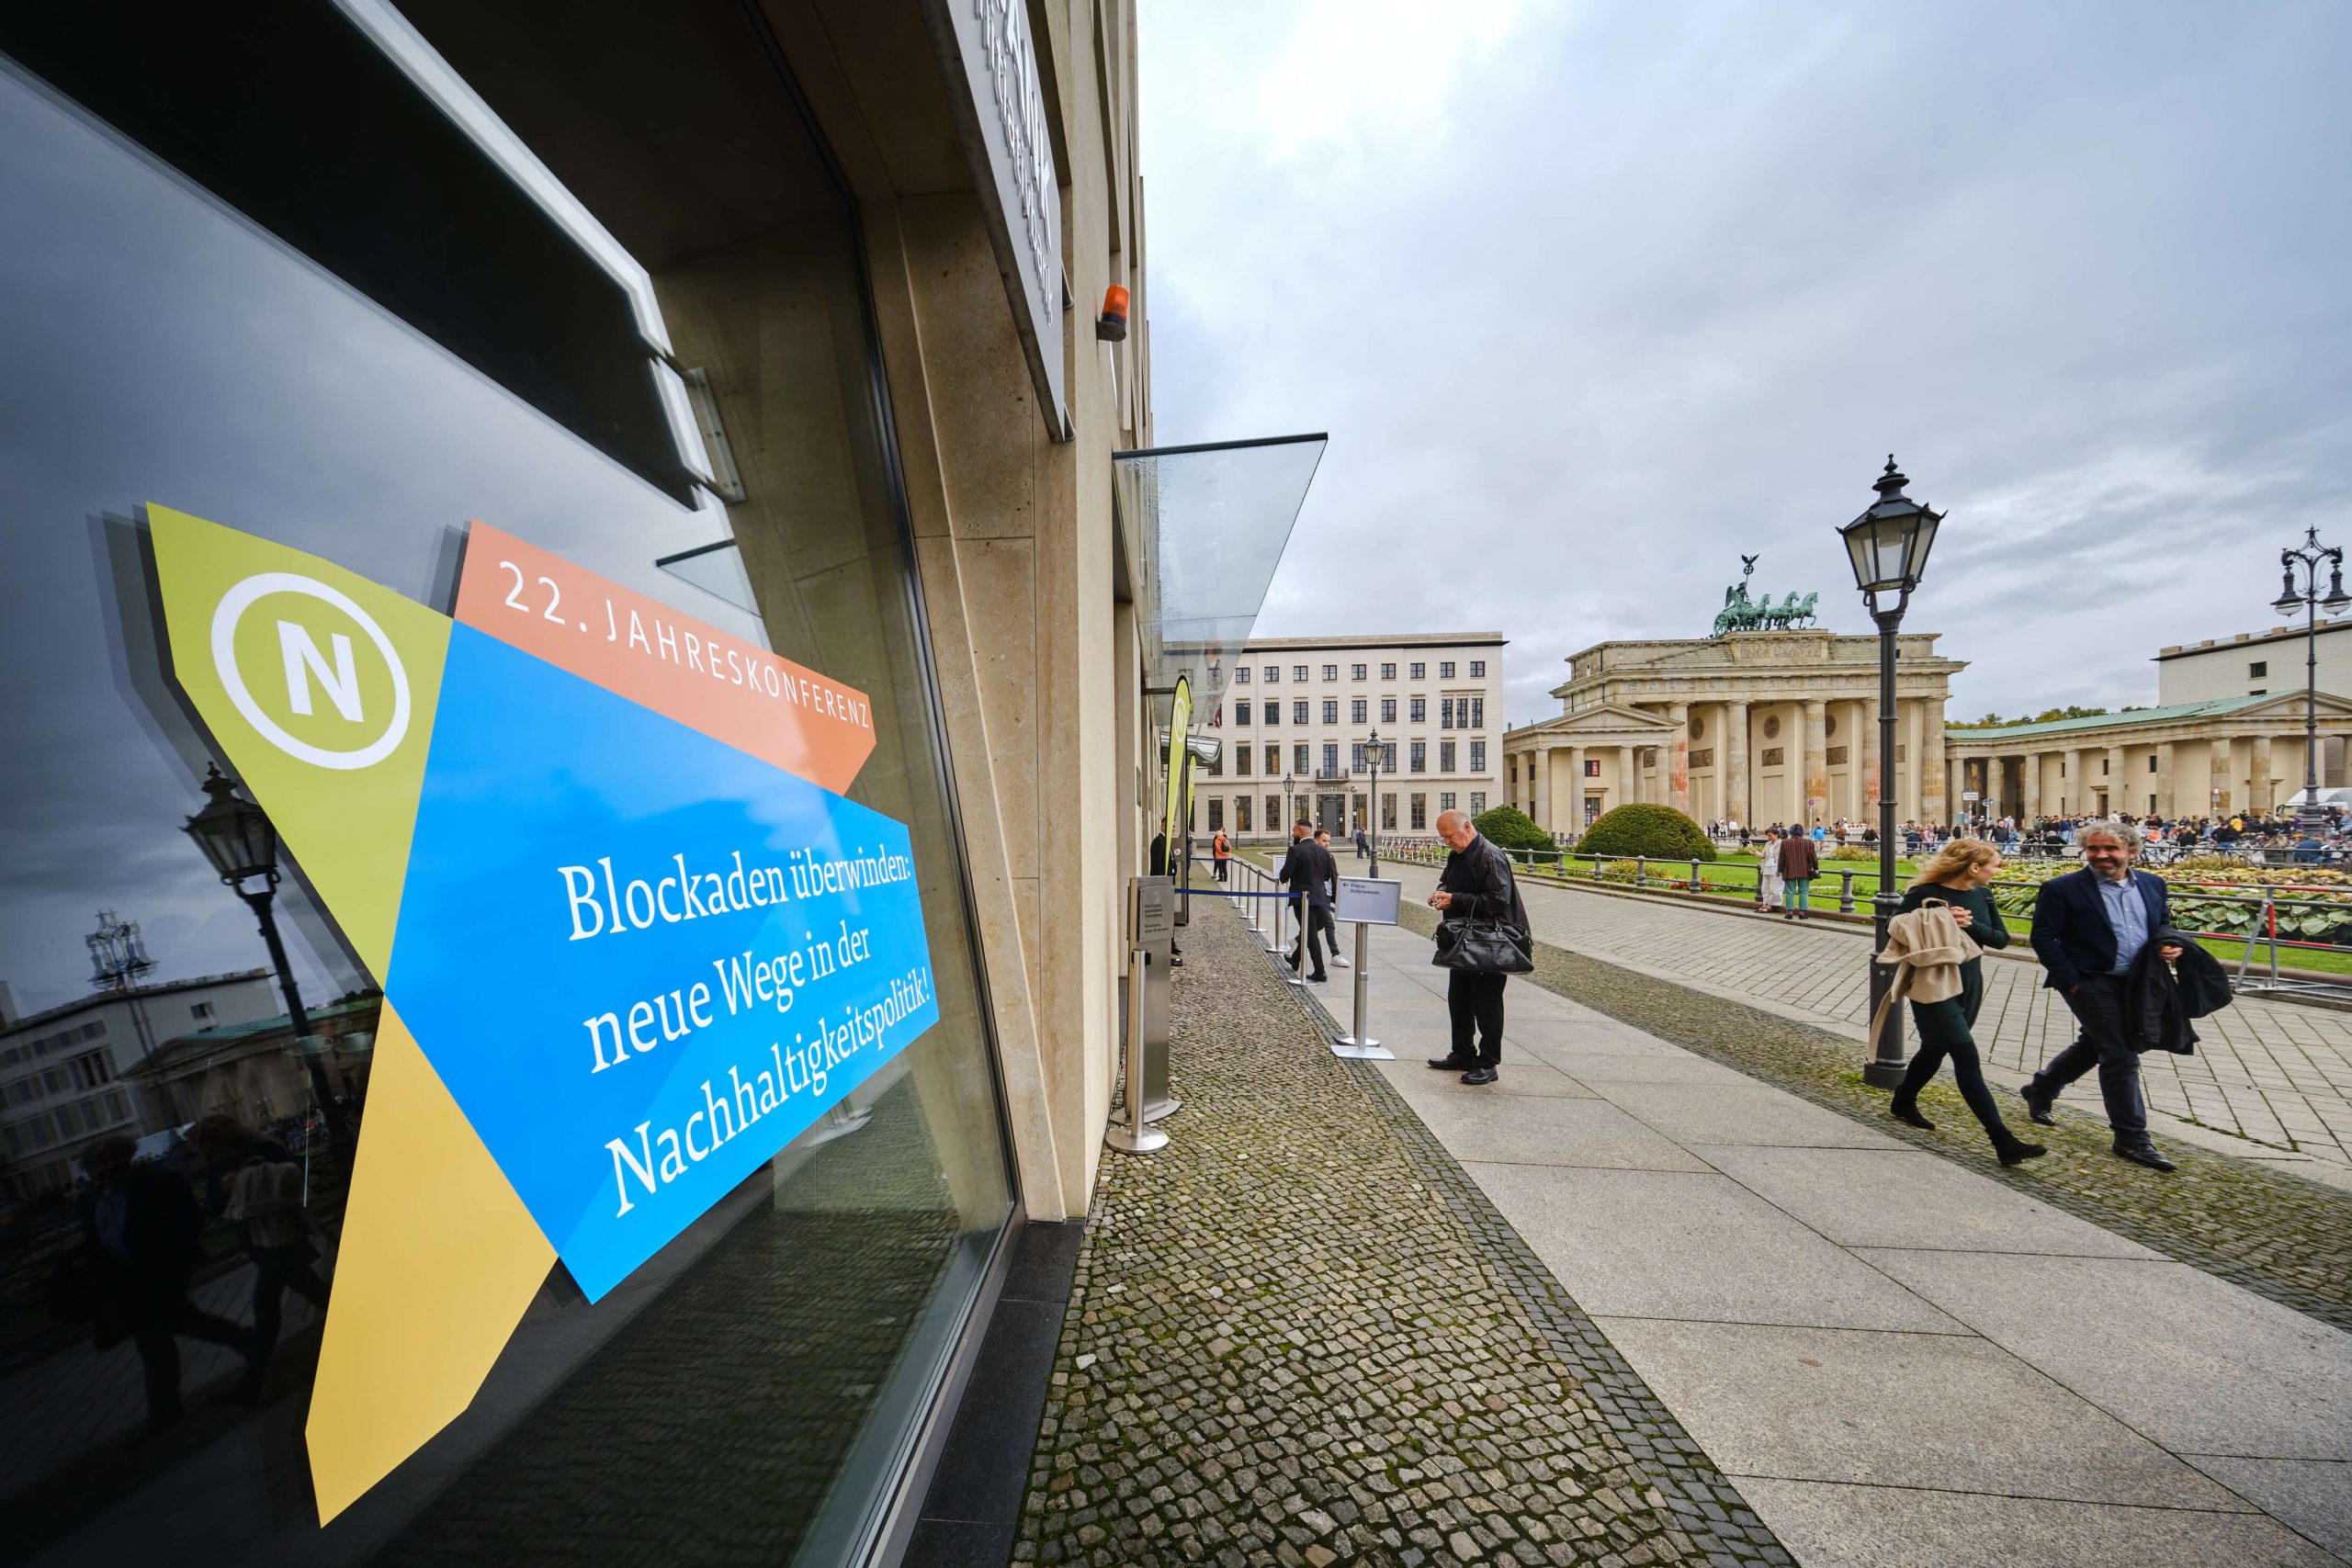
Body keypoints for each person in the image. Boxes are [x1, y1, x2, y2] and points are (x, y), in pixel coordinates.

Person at [2021, 819, 2184, 1171]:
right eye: (2094, 849)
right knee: (2121, 1054)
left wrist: (2168, 943)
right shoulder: (2063, 888)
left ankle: (2042, 1089)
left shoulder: (2154, 884)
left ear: (2132, 852)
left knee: (2096, 1043)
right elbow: (2043, 937)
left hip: (2138, 981)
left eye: (2110, 849)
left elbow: (2162, 922)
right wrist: (2072, 980)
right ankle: (2132, 1138)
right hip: (2090, 981)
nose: (2101, 855)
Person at [78, 1134, 255, 1438]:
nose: (110, 1166)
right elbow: (95, 1238)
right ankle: (247, 1343)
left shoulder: (157, 1182)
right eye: (102, 1162)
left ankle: (165, 1412)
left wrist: (175, 1261)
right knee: (171, 1331)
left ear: (128, 1157)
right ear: (91, 1169)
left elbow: (189, 1219)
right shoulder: (90, 1198)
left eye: (115, 1158)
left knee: (159, 1339)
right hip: (128, 1283)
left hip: (161, 1273)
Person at [1884, 840, 2047, 1165]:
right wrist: (1935, 919)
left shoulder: (1982, 895)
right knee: (1965, 1055)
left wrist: (1971, 925)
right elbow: (1895, 927)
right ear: (1974, 866)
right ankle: (2002, 1140)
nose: (1997, 869)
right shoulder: (1925, 892)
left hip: (1970, 983)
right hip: (1933, 983)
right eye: (1994, 864)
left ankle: (1903, 1101)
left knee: (1935, 1047)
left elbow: (2000, 939)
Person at [188, 1115, 331, 1402]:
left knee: (265, 1305)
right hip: (258, 1241)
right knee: (309, 1288)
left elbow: (295, 1176)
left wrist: (255, 1180)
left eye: (201, 1144)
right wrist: (227, 1188)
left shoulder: (261, 1150)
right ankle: (360, 1318)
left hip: (281, 1235)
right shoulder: (218, 1165)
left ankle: (254, 1377)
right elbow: (213, 1207)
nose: (199, 1152)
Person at [1424, 809, 1530, 1085]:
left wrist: (1454, 899)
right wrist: (1440, 893)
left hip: (1489, 942)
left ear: (1467, 827)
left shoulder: (1490, 856)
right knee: (1458, 999)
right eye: (1443, 838)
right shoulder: (1458, 853)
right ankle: (1462, 1052)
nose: (1447, 842)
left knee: (1486, 1004)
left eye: (1450, 836)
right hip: (1465, 939)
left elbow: (1497, 901)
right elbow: (1449, 881)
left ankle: (1488, 1062)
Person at [1276, 820, 1336, 982]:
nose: (1292, 833)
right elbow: (1326, 876)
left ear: (1301, 831)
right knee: (1310, 931)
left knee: (1310, 934)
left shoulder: (1295, 850)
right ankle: (1296, 959)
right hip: (1321, 898)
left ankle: (1320, 971)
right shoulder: (1324, 852)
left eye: (1294, 830)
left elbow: (1284, 876)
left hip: (1302, 899)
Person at [1315, 828, 1349, 968]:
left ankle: (1296, 941)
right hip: (1318, 896)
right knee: (1329, 924)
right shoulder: (1313, 856)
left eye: (1329, 841)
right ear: (1316, 841)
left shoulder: (1330, 857)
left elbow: (1334, 875)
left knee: (1319, 925)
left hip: (1328, 895)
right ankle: (1335, 954)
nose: (1327, 844)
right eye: (1324, 841)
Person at [1777, 824, 1819, 920]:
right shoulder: (1809, 843)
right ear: (1802, 832)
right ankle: (1802, 913)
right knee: (1803, 892)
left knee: (1789, 892)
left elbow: (1781, 858)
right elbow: (1814, 858)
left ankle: (1789, 912)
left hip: (1789, 870)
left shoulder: (1785, 843)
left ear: (1791, 832)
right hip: (1804, 870)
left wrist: (1779, 870)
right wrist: (1816, 868)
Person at [1757, 826, 1785, 913]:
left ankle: (1771, 904)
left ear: (1776, 835)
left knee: (1775, 888)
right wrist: (1756, 853)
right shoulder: (1767, 844)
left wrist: (1780, 868)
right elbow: (1763, 855)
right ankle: (1765, 903)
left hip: (1776, 869)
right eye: (1768, 835)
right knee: (1765, 888)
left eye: (1770, 835)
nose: (1768, 837)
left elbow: (1784, 857)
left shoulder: (1782, 843)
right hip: (1766, 868)